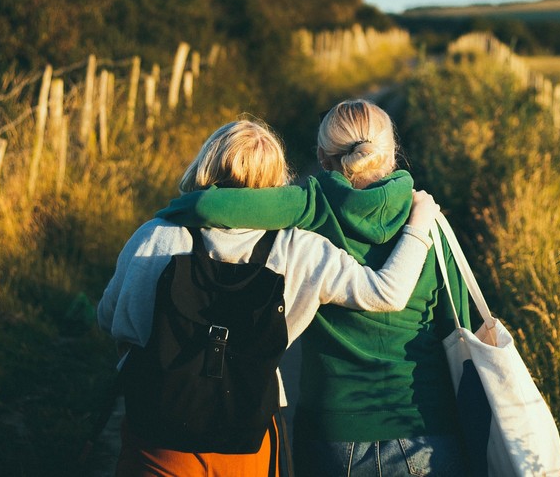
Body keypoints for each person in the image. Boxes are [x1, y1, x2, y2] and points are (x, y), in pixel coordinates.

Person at [97, 119, 441, 477]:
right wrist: (418, 225)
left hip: (157, 433)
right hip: (248, 435)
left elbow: (110, 318)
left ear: (205, 163)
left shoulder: (156, 236)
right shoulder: (300, 249)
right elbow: (386, 292)